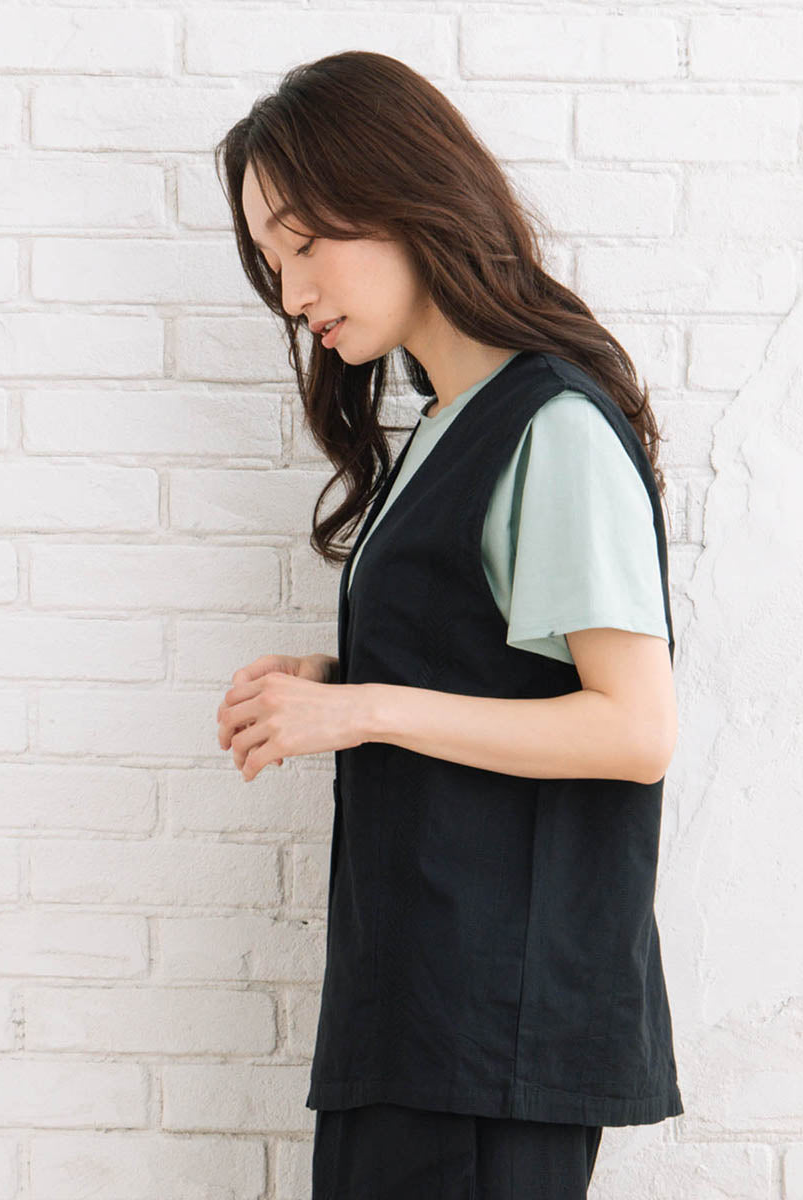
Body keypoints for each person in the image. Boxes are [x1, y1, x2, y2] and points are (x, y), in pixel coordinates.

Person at [213, 50, 683, 1200]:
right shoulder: (445, 425)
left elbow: (634, 730)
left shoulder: (551, 425)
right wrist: (341, 682)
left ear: (403, 196)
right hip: (418, 1020)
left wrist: (365, 707)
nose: (291, 293)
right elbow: (493, 667)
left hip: (488, 1041)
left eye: (303, 244)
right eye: (272, 262)